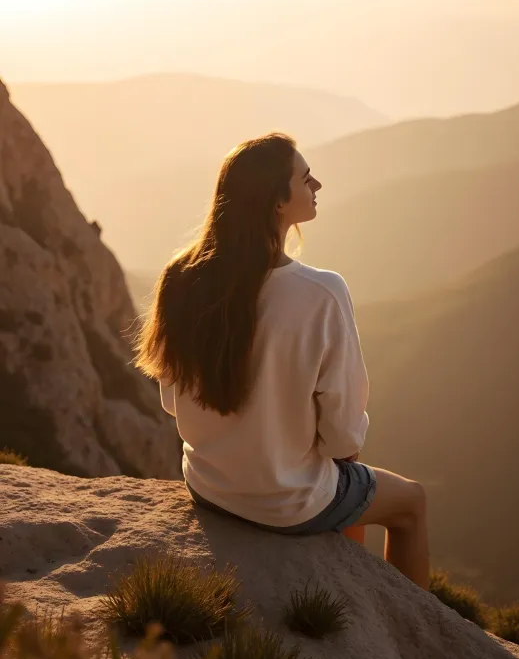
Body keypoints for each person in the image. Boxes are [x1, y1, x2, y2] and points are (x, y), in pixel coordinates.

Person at [135, 133, 430, 589]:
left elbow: (174, 402)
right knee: (411, 503)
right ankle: (415, 639)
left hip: (210, 486)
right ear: (277, 200)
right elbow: (344, 435)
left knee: (345, 479)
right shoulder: (321, 292)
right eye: (306, 178)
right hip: (285, 502)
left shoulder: (180, 278)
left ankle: (349, 595)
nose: (318, 185)